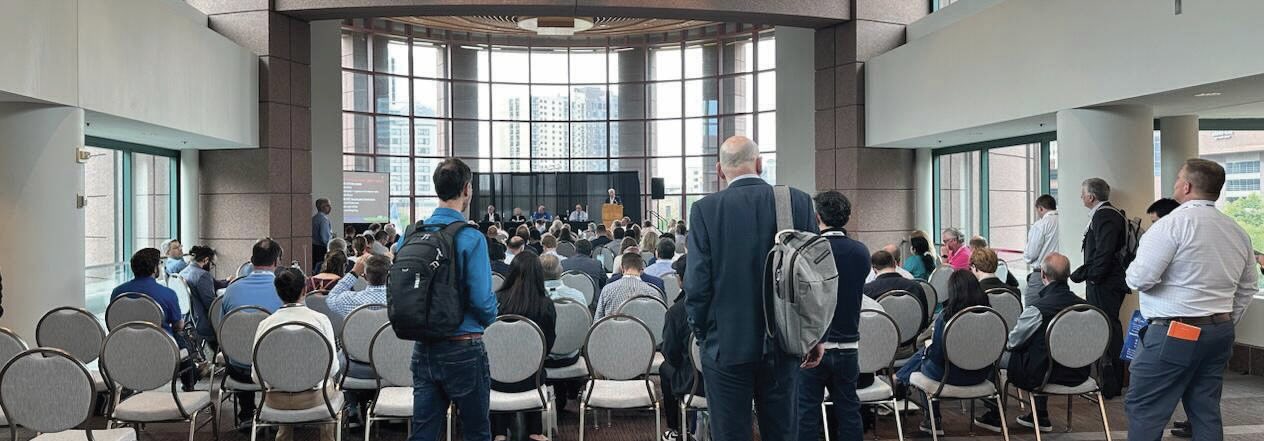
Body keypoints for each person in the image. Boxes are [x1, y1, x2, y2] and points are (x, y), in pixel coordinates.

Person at [685, 135, 817, 441]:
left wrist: (705, 336)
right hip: (786, 341)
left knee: (730, 433)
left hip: (725, 344)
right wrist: (813, 334)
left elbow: (697, 284)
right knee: (783, 432)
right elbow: (813, 279)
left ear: (719, 170)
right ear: (759, 164)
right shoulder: (797, 201)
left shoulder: (706, 210)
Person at [1124, 159, 1257, 441]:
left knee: (1145, 409)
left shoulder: (1170, 226)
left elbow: (1139, 279)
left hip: (1176, 332)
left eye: (1177, 180)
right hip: (1220, 331)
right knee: (1205, 409)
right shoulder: (1237, 231)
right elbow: (1248, 287)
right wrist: (1224, 319)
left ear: (1186, 186)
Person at [410, 158, 499, 441]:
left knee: (424, 432)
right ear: (467, 189)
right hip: (464, 347)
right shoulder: (471, 237)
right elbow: (483, 302)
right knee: (475, 431)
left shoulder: (411, 235)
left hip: (423, 347)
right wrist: (489, 317)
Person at [974, 252, 1088, 433]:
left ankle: (994, 414)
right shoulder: (1085, 307)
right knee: (1042, 354)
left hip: (1041, 374)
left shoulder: (1038, 310)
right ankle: (1040, 415)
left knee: (995, 354)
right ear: (1068, 275)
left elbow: (1012, 342)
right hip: (1078, 373)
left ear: (1042, 274)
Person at [796, 191, 871, 441]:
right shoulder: (861, 252)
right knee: (849, 408)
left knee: (806, 411)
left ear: (817, 217)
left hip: (813, 343)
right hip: (849, 343)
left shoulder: (808, 251)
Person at [895, 270, 992, 435]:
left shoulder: (946, 317)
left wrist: (928, 350)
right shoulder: (990, 316)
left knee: (925, 356)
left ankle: (932, 417)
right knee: (925, 353)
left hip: (947, 376)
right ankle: (899, 378)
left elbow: (938, 355)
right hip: (981, 375)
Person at [254, 267, 340, 441]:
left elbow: (257, 375)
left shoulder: (265, 324)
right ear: (305, 289)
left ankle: (283, 436)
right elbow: (332, 369)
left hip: (274, 400)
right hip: (314, 399)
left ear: (277, 292)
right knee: (331, 385)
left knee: (286, 376)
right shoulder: (320, 320)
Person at [1069, 177, 1129, 398]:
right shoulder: (1110, 214)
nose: (1081, 197)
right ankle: (1110, 380)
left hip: (1105, 283)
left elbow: (1104, 251)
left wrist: (1092, 277)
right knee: (1108, 326)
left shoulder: (1105, 215)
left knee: (1108, 328)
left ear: (1091, 196)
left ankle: (1111, 383)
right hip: (1106, 281)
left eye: (1082, 193)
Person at [488, 251, 556, 441]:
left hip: (496, 380)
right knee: (536, 364)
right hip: (532, 380)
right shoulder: (545, 305)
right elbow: (547, 346)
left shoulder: (495, 301)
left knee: (499, 363)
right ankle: (535, 431)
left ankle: (499, 433)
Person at [221, 238, 286, 428]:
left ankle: (246, 413)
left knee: (244, 348)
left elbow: (223, 332)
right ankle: (281, 410)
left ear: (251, 260)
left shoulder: (231, 290)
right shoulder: (284, 289)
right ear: (277, 262)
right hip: (276, 370)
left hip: (239, 369)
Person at [112, 248, 197, 391]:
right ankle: (189, 384)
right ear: (154, 268)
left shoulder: (118, 292)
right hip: (160, 347)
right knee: (181, 336)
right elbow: (178, 326)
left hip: (126, 345)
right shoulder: (167, 293)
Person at [660, 257, 703, 441]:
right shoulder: (720, 305)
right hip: (725, 376)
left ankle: (675, 428)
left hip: (694, 383)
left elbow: (671, 355)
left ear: (682, 279)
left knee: (665, 368)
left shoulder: (676, 312)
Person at [863, 250, 929, 359]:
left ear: (874, 270)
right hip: (910, 348)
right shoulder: (915, 287)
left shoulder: (867, 291)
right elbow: (924, 321)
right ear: (895, 264)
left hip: (879, 349)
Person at [180, 245, 227, 349]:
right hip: (203, 323)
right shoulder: (202, 275)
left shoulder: (182, 272)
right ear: (206, 260)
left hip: (188, 320)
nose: (211, 267)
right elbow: (211, 305)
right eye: (212, 264)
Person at [594, 253, 662, 320]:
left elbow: (597, 321)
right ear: (641, 269)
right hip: (642, 330)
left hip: (613, 330)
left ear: (621, 268)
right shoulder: (652, 292)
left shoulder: (607, 290)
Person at [327, 254, 389, 318]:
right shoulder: (398, 300)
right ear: (390, 277)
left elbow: (331, 297)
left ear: (365, 277)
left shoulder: (348, 299)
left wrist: (354, 272)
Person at [1023, 194, 1060, 300]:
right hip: (1060, 274)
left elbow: (1031, 254)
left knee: (1032, 308)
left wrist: (1025, 256)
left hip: (1042, 275)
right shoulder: (1064, 221)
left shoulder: (1040, 225)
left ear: (1040, 208)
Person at [313, 198, 333, 273]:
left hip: (314, 248)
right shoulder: (324, 219)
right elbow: (325, 239)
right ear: (322, 207)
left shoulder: (314, 218)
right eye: (328, 205)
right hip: (322, 250)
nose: (330, 208)